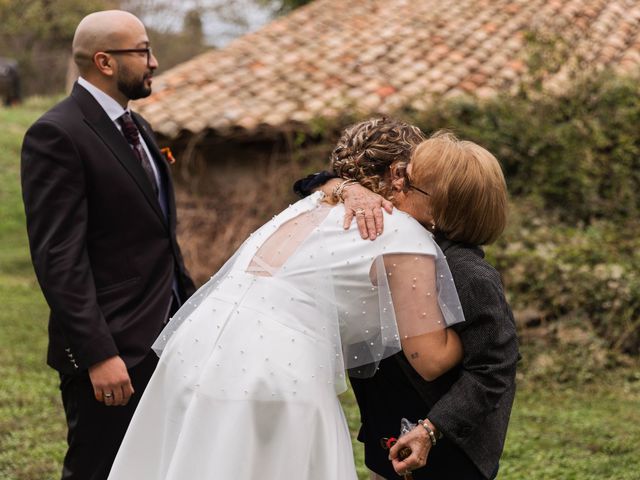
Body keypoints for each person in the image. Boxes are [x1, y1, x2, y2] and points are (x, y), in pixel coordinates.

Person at [106, 118, 466, 479]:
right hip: (275, 375)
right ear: (398, 174)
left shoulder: (312, 204)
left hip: (193, 351)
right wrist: (487, 339)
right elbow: (429, 358)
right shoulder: (400, 232)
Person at [20, 10, 195, 480]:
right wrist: (99, 354)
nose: (154, 62)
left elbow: (158, 238)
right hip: (113, 350)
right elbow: (59, 258)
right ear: (105, 61)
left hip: (164, 337)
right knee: (100, 469)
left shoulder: (140, 130)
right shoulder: (58, 134)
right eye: (142, 51)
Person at [300, 130, 519, 479]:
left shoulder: (470, 274)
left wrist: (431, 429)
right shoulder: (399, 242)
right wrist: (349, 187)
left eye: (409, 183)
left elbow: (494, 370)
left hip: (444, 449)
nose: (395, 186)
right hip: (389, 429)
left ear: (442, 206)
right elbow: (311, 185)